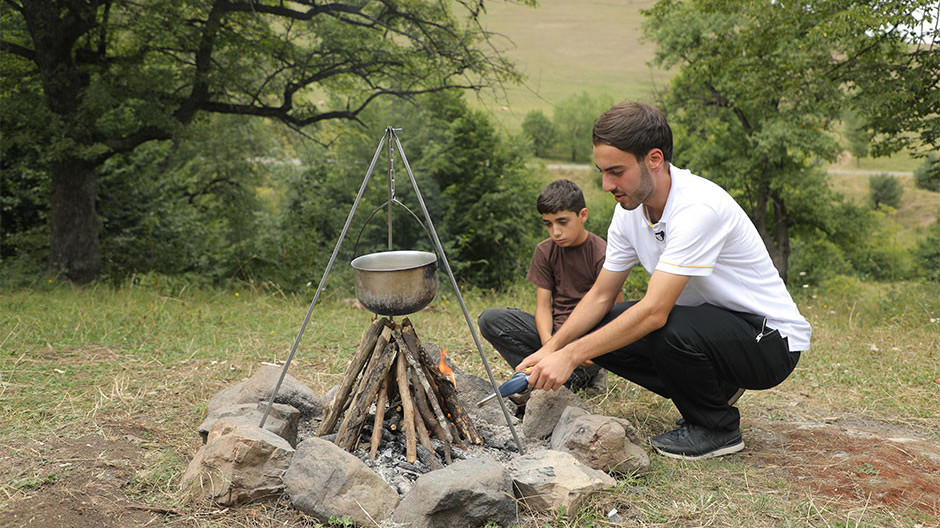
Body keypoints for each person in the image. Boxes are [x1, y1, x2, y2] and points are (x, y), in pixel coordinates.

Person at [518, 102, 811, 460]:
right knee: (607, 324)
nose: (607, 184)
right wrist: (554, 349)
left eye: (616, 172)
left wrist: (571, 356)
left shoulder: (697, 207)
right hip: (710, 329)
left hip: (768, 341)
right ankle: (711, 388)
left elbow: (655, 311)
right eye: (602, 172)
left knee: (661, 324)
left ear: (654, 159)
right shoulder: (629, 211)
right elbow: (601, 295)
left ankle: (716, 428)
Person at [478, 179, 618, 392]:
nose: (556, 232)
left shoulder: (603, 253)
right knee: (490, 319)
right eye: (548, 224)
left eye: (563, 222)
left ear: (583, 215)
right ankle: (551, 378)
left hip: (587, 344)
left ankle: (577, 378)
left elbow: (617, 312)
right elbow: (543, 306)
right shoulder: (545, 251)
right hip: (553, 335)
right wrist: (548, 346)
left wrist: (585, 347)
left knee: (586, 357)